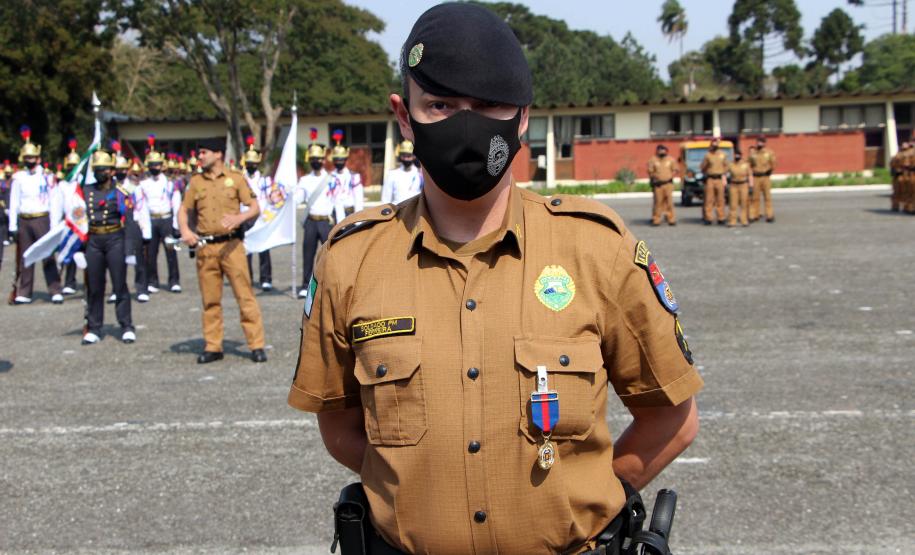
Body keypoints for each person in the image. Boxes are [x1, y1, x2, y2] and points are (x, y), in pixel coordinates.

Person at [287, 4, 703, 554]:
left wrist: (596, 499)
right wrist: (419, 492)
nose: (465, 125)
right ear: (404, 116)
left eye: (487, 106)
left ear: (523, 117)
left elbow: (672, 416)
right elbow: (340, 426)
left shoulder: (596, 249)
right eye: (439, 104)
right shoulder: (350, 260)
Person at [177, 138, 267, 364]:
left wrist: (240, 217)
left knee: (245, 296)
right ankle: (213, 346)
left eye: (203, 152)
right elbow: (183, 209)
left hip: (232, 246)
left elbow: (255, 207)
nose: (200, 157)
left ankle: (256, 345)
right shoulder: (196, 182)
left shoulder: (235, 179)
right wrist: (186, 230)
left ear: (218, 154)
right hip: (206, 248)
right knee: (210, 300)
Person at [80, 150, 136, 345]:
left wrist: (129, 251)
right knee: (95, 286)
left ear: (112, 171)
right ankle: (94, 326)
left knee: (119, 283)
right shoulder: (86, 191)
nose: (99, 172)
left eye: (103, 169)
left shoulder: (121, 193)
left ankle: (126, 325)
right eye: (96, 169)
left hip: (114, 238)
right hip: (94, 240)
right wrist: (79, 249)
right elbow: (77, 219)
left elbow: (129, 222)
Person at [8, 126, 64, 305]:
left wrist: (54, 225)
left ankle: (55, 289)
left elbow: (55, 201)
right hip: (25, 219)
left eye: (32, 157)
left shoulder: (47, 177)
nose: (29, 160)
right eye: (26, 158)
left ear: (39, 158)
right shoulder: (18, 178)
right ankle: (25, 291)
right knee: (26, 256)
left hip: (42, 218)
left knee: (47, 255)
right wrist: (13, 226)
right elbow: (14, 202)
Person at [296, 138, 342, 298]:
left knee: (329, 255)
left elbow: (338, 203)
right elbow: (298, 198)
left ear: (324, 160)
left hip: (326, 221)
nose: (316, 161)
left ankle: (329, 284)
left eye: (319, 159)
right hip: (311, 221)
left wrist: (341, 224)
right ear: (310, 160)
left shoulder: (332, 179)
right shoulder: (304, 180)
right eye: (313, 159)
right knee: (308, 253)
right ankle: (305, 285)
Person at [139, 135, 182, 294]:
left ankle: (174, 280)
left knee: (171, 251)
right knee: (151, 253)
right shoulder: (143, 184)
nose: (155, 167)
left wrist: (176, 224)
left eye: (157, 164)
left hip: (166, 219)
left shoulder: (171, 183)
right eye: (152, 165)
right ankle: (153, 281)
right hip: (151, 220)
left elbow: (176, 204)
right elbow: (141, 206)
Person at [115, 149, 152, 302]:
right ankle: (117, 290)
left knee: (139, 259)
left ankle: (142, 288)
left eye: (123, 170)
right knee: (116, 260)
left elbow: (142, 209)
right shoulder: (110, 187)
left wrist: (146, 230)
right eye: (118, 170)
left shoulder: (135, 188)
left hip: (133, 224)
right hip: (115, 226)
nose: (121, 172)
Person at [242, 136, 274, 290]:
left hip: (261, 218)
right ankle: (247, 277)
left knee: (263, 248)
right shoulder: (241, 180)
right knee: (246, 249)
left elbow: (270, 198)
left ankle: (266, 278)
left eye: (253, 163)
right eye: (248, 163)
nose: (251, 166)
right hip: (245, 217)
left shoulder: (264, 181)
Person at [58, 139, 82, 295]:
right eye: (70, 167)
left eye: (75, 167)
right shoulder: (62, 185)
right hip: (67, 222)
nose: (72, 169)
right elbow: (58, 205)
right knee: (67, 252)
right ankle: (68, 281)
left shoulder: (84, 182)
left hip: (82, 222)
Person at [329, 131, 363, 218]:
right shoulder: (329, 177)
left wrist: (358, 219)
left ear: (345, 160)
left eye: (341, 160)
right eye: (336, 160)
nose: (339, 162)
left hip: (350, 214)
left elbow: (358, 199)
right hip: (334, 214)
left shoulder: (354, 177)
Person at [381, 139, 424, 205]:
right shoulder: (392, 174)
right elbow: (385, 199)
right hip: (398, 212)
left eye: (409, 156)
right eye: (404, 155)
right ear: (400, 156)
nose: (406, 158)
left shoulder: (420, 174)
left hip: (415, 213)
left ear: (414, 156)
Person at [647, 144, 677, 226]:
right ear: (657, 151)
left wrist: (670, 175)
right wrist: (655, 178)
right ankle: (656, 219)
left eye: (663, 150)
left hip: (668, 184)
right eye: (660, 150)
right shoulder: (653, 160)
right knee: (658, 203)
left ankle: (671, 218)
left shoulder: (671, 160)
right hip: (658, 185)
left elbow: (675, 169)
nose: (662, 151)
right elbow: (650, 171)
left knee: (669, 202)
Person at [700, 138, 727, 225]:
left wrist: (723, 175)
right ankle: (708, 218)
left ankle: (721, 217)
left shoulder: (723, 154)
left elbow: (727, 166)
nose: (715, 144)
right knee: (709, 199)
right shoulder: (707, 155)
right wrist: (707, 172)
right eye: (713, 142)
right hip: (710, 179)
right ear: (711, 144)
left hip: (719, 178)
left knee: (720, 199)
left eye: (716, 142)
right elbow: (702, 167)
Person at [749, 136, 776, 222]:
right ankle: (754, 215)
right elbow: (749, 164)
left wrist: (770, 171)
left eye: (761, 142)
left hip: (765, 177)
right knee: (755, 197)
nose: (759, 143)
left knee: (767, 197)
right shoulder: (753, 153)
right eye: (758, 141)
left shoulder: (769, 152)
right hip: (756, 177)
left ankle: (769, 215)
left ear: (764, 143)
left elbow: (773, 163)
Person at [727, 150, 752, 227]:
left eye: (738, 155)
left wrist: (751, 186)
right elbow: (724, 174)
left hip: (743, 184)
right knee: (733, 204)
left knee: (744, 203)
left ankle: (744, 220)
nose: (737, 156)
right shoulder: (730, 164)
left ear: (741, 155)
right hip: (733, 185)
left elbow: (750, 175)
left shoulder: (746, 164)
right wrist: (725, 183)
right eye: (735, 155)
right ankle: (732, 221)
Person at [0, 160, 13, 270]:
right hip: (3, 204)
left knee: (5, 224)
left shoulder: (9, 182)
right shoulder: (3, 181)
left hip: (6, 204)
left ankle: (7, 237)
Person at [890, 142, 907, 212]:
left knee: (897, 193)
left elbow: (892, 167)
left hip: (898, 176)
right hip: (901, 176)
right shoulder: (899, 157)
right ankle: (904, 207)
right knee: (904, 193)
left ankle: (896, 206)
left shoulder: (896, 156)